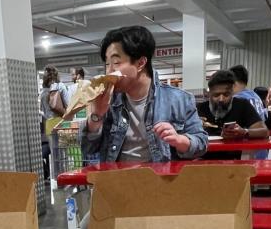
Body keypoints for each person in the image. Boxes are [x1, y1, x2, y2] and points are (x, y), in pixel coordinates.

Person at [81, 25, 207, 162]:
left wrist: (179, 140)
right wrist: (97, 115)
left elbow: (201, 144)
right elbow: (88, 149)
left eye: (116, 62)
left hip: (161, 181)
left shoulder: (179, 99)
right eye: (107, 64)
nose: (109, 71)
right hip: (117, 180)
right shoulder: (107, 99)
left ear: (141, 63)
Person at [197, 69, 267, 159]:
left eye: (226, 94)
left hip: (234, 163)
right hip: (202, 162)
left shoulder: (242, 105)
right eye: (216, 95)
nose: (221, 99)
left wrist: (244, 132)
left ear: (232, 92)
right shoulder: (199, 108)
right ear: (209, 93)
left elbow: (264, 131)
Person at [40, 66, 70, 178]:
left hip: (49, 124)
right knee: (64, 155)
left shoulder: (43, 91)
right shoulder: (60, 86)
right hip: (61, 122)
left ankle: (57, 179)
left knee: (54, 156)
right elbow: (68, 104)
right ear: (57, 75)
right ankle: (66, 178)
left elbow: (43, 111)